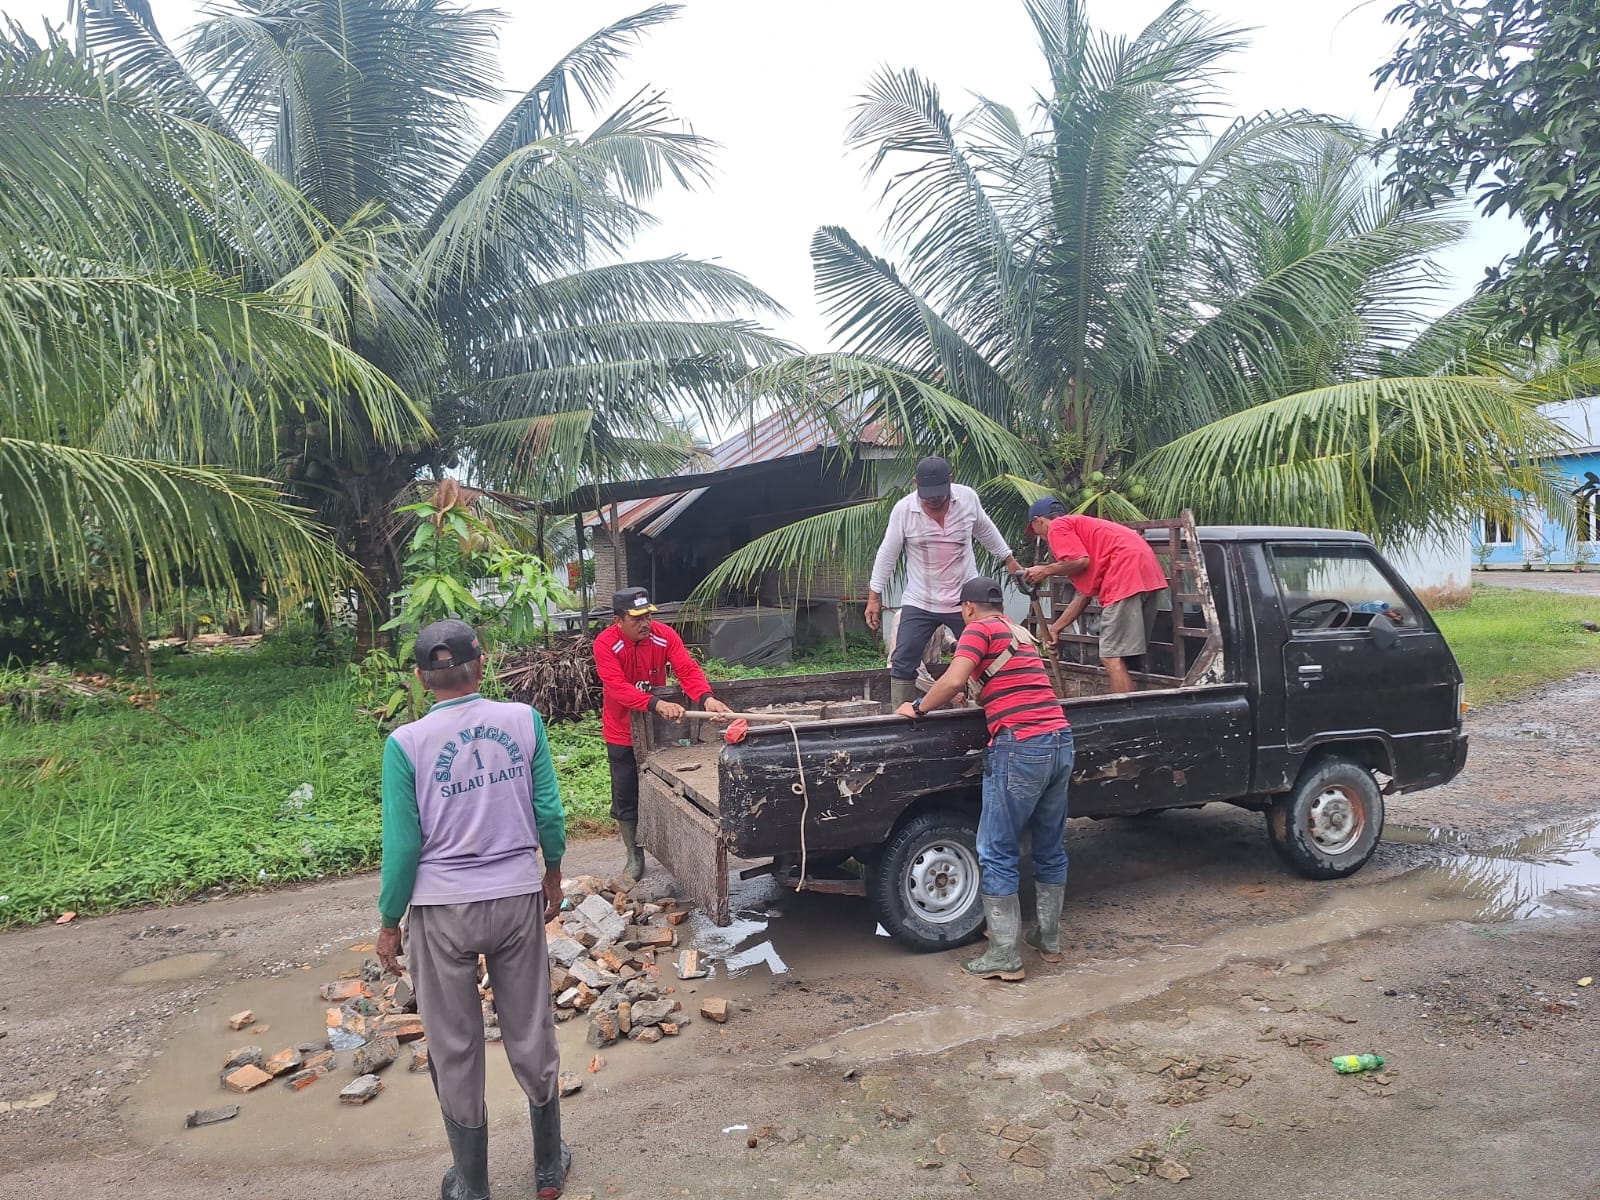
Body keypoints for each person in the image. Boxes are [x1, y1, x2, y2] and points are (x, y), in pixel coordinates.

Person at [376, 619, 571, 1200]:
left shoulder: (405, 745)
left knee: (454, 1042)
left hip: (441, 911)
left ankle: (473, 1183)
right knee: (531, 1025)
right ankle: (546, 1170)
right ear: (482, 665)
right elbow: (550, 813)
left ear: (419, 679)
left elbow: (404, 846)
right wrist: (552, 871)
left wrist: (390, 922)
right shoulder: (522, 721)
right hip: (515, 898)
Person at [895, 577, 1074, 981]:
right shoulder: (1020, 633)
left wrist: (919, 707)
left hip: (1022, 746)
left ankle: (1004, 955)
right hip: (1060, 741)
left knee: (995, 849)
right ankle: (1048, 939)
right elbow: (1009, 684)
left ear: (969, 608)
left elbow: (955, 678)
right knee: (1049, 845)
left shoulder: (977, 630)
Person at [592, 587, 731, 881]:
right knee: (626, 793)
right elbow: (617, 688)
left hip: (657, 732)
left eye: (648, 616)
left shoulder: (664, 635)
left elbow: (687, 670)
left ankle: (676, 846)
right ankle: (634, 854)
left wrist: (707, 698)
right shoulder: (605, 644)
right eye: (637, 618)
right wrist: (655, 703)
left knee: (668, 788)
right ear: (618, 620)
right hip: (621, 730)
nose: (646, 623)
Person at [867, 456, 1024, 708]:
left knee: (987, 653)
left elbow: (985, 529)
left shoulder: (967, 499)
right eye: (927, 495)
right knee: (903, 659)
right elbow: (888, 552)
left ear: (950, 481)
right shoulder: (904, 510)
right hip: (920, 599)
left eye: (939, 494)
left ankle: (987, 707)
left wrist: (1009, 560)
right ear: (916, 483)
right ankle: (902, 716)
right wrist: (874, 596)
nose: (933, 500)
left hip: (965, 601)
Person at [1022, 498, 1168, 694]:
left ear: (1038, 521)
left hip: (1124, 575)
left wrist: (1045, 570)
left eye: (1035, 530)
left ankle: (1123, 714)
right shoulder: (1085, 531)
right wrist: (1056, 628)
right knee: (1121, 656)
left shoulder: (1057, 526)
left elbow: (1080, 561)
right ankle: (1130, 707)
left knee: (1111, 657)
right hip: (1146, 574)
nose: (1040, 536)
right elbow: (1083, 596)